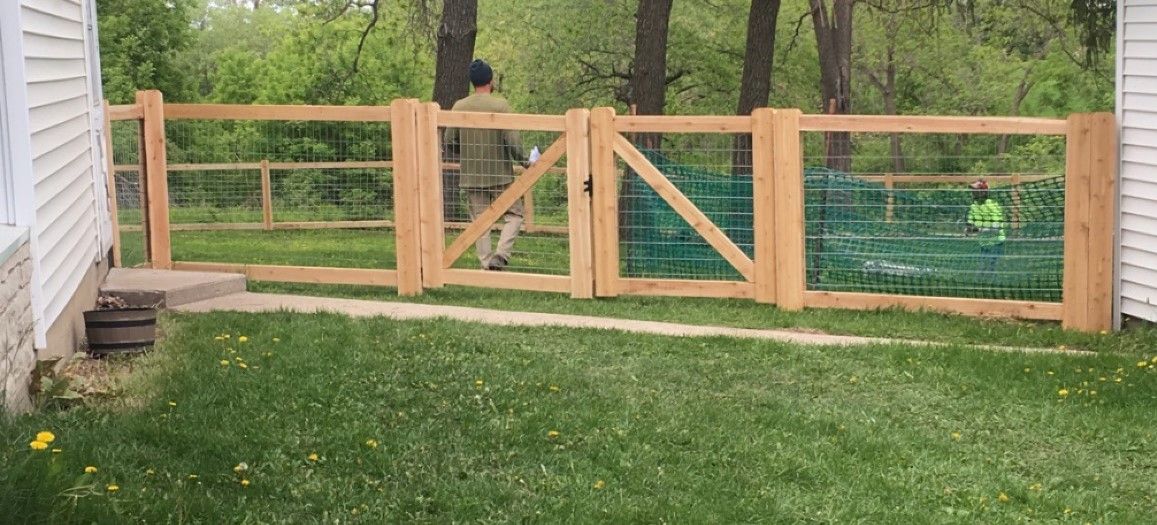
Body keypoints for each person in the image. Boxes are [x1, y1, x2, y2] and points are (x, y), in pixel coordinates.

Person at [442, 59, 530, 271]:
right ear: (490, 81)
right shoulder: (500, 106)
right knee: (515, 214)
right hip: (500, 174)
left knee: (479, 223)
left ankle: (486, 266)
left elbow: (449, 140)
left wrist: (466, 154)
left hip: (472, 175)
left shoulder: (459, 107)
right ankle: (501, 255)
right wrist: (525, 160)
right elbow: (513, 140)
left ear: (472, 82)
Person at [965, 179, 1006, 281]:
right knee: (981, 269)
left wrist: (978, 230)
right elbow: (970, 225)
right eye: (972, 190)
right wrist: (968, 229)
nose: (972, 192)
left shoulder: (992, 205)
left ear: (983, 192)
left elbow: (996, 227)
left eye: (975, 190)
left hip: (996, 243)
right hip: (984, 243)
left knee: (992, 269)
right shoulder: (973, 206)